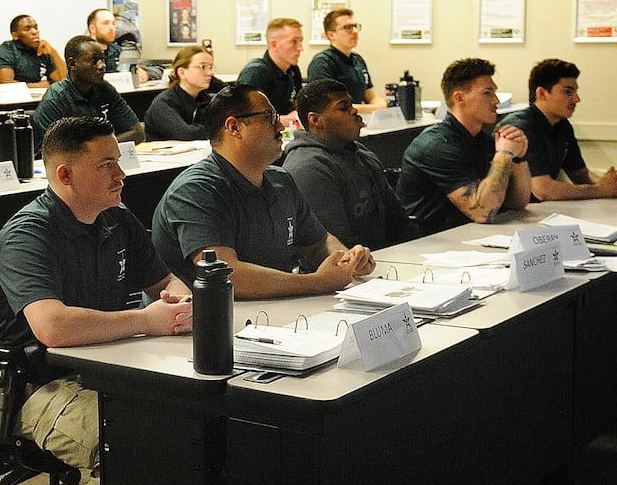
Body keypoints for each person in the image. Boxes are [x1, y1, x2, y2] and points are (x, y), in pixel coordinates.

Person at [0, 116, 193, 485]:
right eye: (105, 165)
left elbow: (168, 282)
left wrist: (184, 304)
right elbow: (51, 327)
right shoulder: (29, 235)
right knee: (125, 436)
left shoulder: (117, 219)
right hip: (34, 386)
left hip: (104, 368)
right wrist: (147, 319)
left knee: (188, 421)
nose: (120, 173)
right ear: (64, 175)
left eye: (119, 161)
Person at [153, 84, 376, 299]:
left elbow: (318, 243)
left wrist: (347, 260)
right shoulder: (196, 190)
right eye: (269, 117)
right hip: (204, 326)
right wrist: (317, 282)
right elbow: (227, 275)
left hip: (270, 313)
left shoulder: (281, 181)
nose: (280, 127)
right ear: (234, 127)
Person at [396, 57, 531, 234]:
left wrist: (518, 158)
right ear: (460, 98)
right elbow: (482, 212)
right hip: (429, 242)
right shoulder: (436, 146)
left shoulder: (482, 140)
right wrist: (504, 154)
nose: (496, 101)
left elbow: (518, 203)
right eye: (487, 93)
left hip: (465, 235)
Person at [281, 79, 419, 251]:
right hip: (345, 270)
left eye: (351, 105)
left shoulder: (361, 153)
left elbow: (398, 220)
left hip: (384, 260)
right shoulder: (308, 168)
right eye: (343, 107)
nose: (354, 111)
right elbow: (334, 244)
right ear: (316, 120)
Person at [501, 59, 617, 202]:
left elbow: (580, 174)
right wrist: (600, 190)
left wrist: (610, 184)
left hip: (538, 210)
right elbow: (543, 190)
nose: (576, 99)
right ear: (542, 93)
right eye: (567, 92)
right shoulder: (521, 128)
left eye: (575, 92)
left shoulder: (562, 124)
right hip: (507, 216)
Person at [32, 37, 144, 153]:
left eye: (102, 60)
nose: (102, 66)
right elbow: (58, 150)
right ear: (72, 64)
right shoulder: (55, 100)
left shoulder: (105, 89)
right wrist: (103, 147)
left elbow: (137, 133)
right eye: (94, 61)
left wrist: (97, 148)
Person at [305, 9, 386, 113]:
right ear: (331, 35)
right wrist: (372, 109)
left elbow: (372, 97)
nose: (355, 31)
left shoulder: (357, 59)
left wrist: (379, 105)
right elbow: (329, 107)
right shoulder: (322, 63)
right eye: (348, 28)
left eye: (355, 26)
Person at [236, 17, 305, 128]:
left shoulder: (293, 70)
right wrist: (282, 120)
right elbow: (244, 117)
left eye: (301, 41)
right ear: (274, 45)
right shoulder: (256, 73)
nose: (300, 48)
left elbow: (295, 104)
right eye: (294, 41)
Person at [143, 45, 215, 141]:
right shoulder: (163, 103)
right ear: (182, 73)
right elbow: (186, 134)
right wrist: (219, 130)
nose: (210, 73)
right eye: (202, 67)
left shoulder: (206, 100)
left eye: (210, 67)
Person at [0, 14, 67, 89]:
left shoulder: (43, 49)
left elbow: (64, 81)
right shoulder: (7, 50)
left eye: (35, 27)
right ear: (15, 35)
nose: (34, 32)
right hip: (13, 99)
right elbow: (6, 85)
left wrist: (54, 53)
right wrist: (39, 86)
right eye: (27, 29)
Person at [86, 8, 123, 72]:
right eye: (106, 23)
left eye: (113, 24)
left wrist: (144, 73)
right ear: (92, 28)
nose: (112, 28)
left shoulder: (118, 51)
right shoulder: (82, 53)